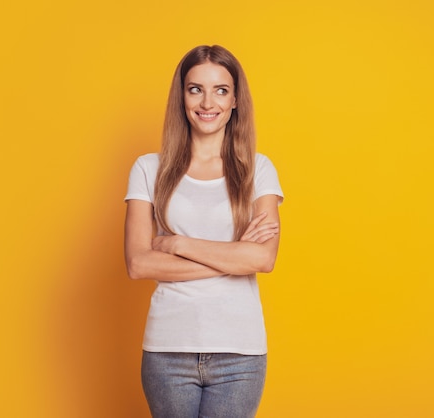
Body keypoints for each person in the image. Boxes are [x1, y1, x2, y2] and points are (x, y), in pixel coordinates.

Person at [123, 45, 283, 418]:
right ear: (181, 97)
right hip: (167, 350)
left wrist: (177, 244)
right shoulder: (149, 169)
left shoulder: (258, 170)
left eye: (220, 90)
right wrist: (233, 256)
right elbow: (138, 264)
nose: (207, 101)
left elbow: (263, 258)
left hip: (239, 354)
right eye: (195, 89)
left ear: (235, 101)